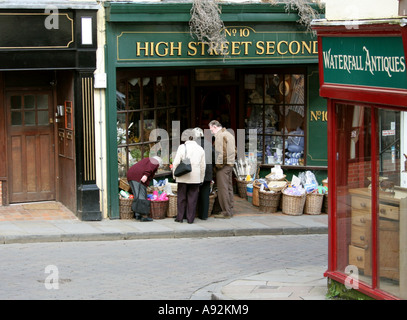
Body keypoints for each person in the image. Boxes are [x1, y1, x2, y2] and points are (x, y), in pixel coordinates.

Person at [172, 129, 205, 224]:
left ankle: (180, 217)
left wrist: (175, 175)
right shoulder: (200, 149)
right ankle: (190, 219)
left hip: (183, 175)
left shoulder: (182, 147)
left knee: (181, 197)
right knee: (193, 198)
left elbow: (176, 163)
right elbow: (203, 166)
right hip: (195, 177)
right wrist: (201, 178)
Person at [209, 120, 235, 219]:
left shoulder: (220, 136)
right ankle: (230, 209)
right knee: (228, 188)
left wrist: (217, 167)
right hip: (229, 164)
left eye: (211, 130)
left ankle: (225, 212)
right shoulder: (228, 134)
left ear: (215, 127)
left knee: (222, 189)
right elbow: (234, 150)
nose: (211, 132)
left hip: (223, 166)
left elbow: (220, 153)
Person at [127, 156, 163, 222]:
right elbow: (150, 168)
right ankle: (144, 216)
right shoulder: (155, 161)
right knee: (141, 196)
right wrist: (146, 175)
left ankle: (138, 214)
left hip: (131, 175)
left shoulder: (148, 160)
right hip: (138, 177)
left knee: (137, 195)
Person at [193, 127, 214, 220]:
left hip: (196, 172)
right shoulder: (209, 144)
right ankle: (204, 215)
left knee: (193, 193)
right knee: (205, 194)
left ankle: (192, 214)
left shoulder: (193, 144)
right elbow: (215, 157)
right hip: (208, 172)